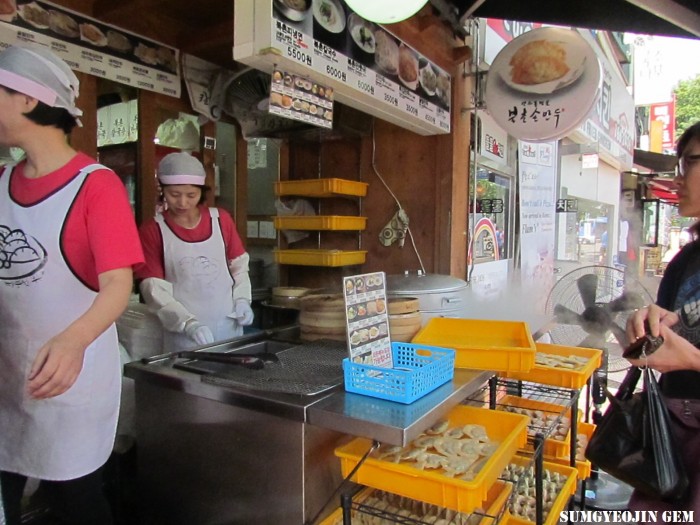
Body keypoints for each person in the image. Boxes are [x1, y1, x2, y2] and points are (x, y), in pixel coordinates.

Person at [0, 45, 144, 524]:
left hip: (71, 376)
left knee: (74, 501)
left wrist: (73, 340)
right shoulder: (1, 182)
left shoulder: (95, 184)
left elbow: (117, 286)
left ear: (25, 99)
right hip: (7, 373)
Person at [625, 121, 700, 513]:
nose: (678, 177)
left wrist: (689, 359)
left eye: (689, 162)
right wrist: (646, 330)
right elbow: (673, 328)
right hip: (671, 446)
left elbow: (688, 354)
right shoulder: (685, 261)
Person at [136, 152, 254, 350]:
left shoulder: (221, 220)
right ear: (162, 190)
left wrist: (242, 300)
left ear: (202, 191)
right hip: (182, 336)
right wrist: (187, 324)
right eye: (174, 194)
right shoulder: (153, 230)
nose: (183, 203)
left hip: (229, 327)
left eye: (191, 195)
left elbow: (239, 267)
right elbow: (152, 287)